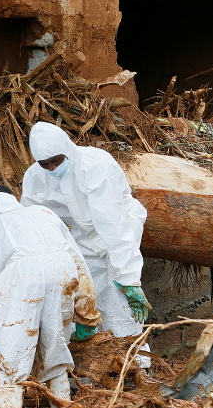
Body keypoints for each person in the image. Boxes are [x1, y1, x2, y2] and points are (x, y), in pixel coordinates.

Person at [0, 185, 101, 408]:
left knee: (9, 366)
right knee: (56, 352)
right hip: (62, 272)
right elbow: (78, 261)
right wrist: (87, 312)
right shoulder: (43, 213)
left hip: (22, 278)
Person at [21, 121, 152, 351]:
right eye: (45, 164)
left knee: (118, 296)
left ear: (66, 150)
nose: (51, 168)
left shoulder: (94, 166)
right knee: (87, 294)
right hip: (83, 237)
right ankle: (96, 363)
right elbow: (32, 220)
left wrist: (129, 278)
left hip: (120, 228)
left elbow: (115, 228)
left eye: (56, 161)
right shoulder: (35, 178)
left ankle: (134, 361)